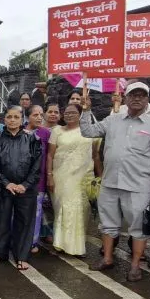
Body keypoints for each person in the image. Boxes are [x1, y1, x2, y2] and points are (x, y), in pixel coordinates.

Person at [81, 83, 150, 281]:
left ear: (147, 99)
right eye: (133, 94)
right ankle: (107, 259)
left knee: (138, 227)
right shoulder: (112, 120)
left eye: (142, 95)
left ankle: (135, 265)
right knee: (107, 224)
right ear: (126, 97)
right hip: (110, 182)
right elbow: (88, 131)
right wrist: (86, 110)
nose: (137, 98)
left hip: (138, 185)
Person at [0, 106, 43, 270]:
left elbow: (36, 166)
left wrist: (24, 185)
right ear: (4, 119)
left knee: (24, 222)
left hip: (26, 189)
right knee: (2, 221)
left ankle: (22, 255)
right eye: (9, 117)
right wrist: (6, 183)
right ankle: (0, 252)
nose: (12, 120)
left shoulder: (32, 140)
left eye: (16, 117)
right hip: (4, 188)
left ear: (22, 120)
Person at [47, 104, 101, 256]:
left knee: (81, 209)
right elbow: (50, 155)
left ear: (80, 114)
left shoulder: (91, 131)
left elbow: (95, 156)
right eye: (66, 112)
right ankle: (61, 243)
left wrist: (100, 177)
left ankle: (76, 246)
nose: (69, 115)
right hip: (61, 176)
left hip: (84, 176)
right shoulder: (57, 131)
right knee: (64, 208)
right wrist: (49, 176)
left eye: (73, 112)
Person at [26, 105, 53, 251]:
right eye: (35, 114)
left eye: (41, 115)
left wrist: (49, 175)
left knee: (36, 212)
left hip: (39, 179)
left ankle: (33, 242)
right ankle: (18, 239)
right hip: (21, 179)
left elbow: (49, 156)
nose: (38, 117)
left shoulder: (45, 133)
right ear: (28, 116)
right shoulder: (20, 131)